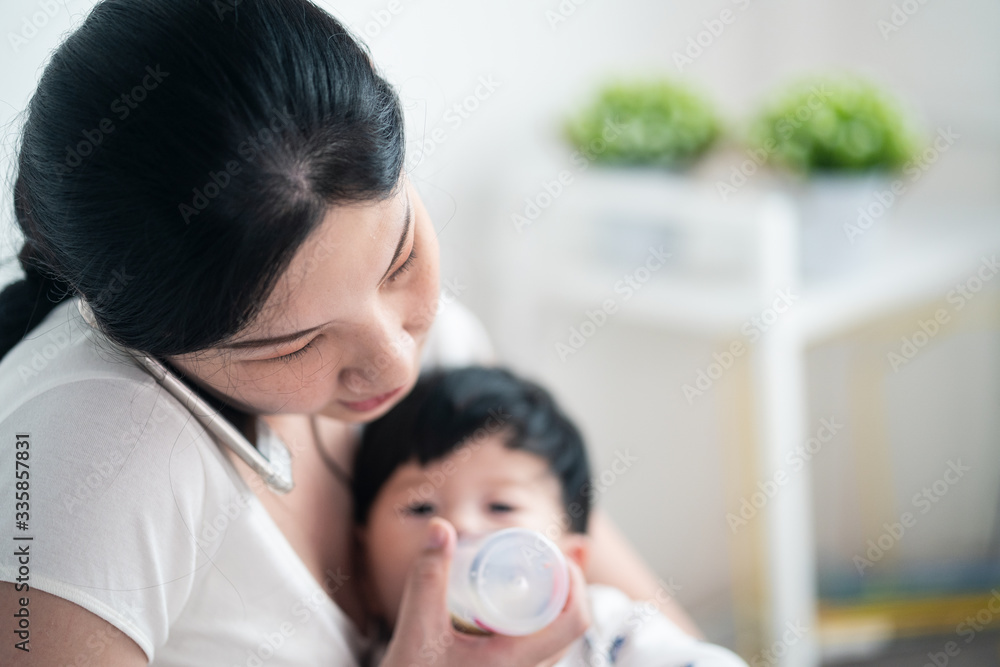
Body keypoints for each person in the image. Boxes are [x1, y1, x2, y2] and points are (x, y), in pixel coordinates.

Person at [0, 0, 698, 664]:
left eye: (401, 259)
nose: (397, 363)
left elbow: (657, 628)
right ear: (149, 335)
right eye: (294, 344)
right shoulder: (87, 460)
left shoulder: (443, 342)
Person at [352, 366, 747, 666]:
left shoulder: (608, 631)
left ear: (570, 561)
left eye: (501, 506)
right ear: (363, 576)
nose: (461, 528)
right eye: (421, 507)